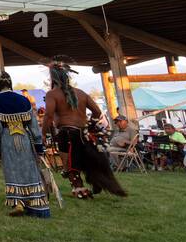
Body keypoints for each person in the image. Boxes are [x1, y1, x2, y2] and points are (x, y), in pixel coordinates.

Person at [42, 56, 126, 199]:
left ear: (53, 78)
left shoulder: (52, 94)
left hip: (66, 133)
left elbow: (49, 115)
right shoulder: (81, 93)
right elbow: (97, 112)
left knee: (69, 162)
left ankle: (79, 188)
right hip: (83, 133)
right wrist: (90, 125)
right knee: (84, 158)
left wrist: (43, 134)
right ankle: (95, 181)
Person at [0, 70, 50, 218]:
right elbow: (34, 126)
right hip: (25, 138)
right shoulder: (24, 100)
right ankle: (35, 204)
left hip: (7, 138)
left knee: (12, 170)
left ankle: (19, 203)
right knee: (29, 169)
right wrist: (39, 147)